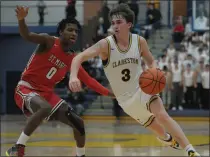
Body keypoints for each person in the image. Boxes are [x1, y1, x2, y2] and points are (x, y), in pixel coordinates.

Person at [69, 4, 201, 157]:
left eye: (119, 22)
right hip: (125, 100)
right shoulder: (106, 45)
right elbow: (78, 57)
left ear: (129, 24)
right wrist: (73, 76)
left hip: (143, 88)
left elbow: (151, 61)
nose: (115, 26)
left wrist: (154, 70)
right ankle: (166, 138)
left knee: (162, 116)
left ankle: (190, 150)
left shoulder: (139, 41)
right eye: (113, 23)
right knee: (157, 129)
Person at [6, 6, 113, 157]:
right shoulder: (48, 41)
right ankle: (18, 147)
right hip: (26, 88)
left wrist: (110, 94)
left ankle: (80, 155)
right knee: (44, 108)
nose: (74, 33)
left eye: (76, 31)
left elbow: (88, 80)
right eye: (70, 30)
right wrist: (21, 19)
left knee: (78, 123)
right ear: (61, 32)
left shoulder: (71, 58)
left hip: (47, 95)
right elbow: (27, 35)